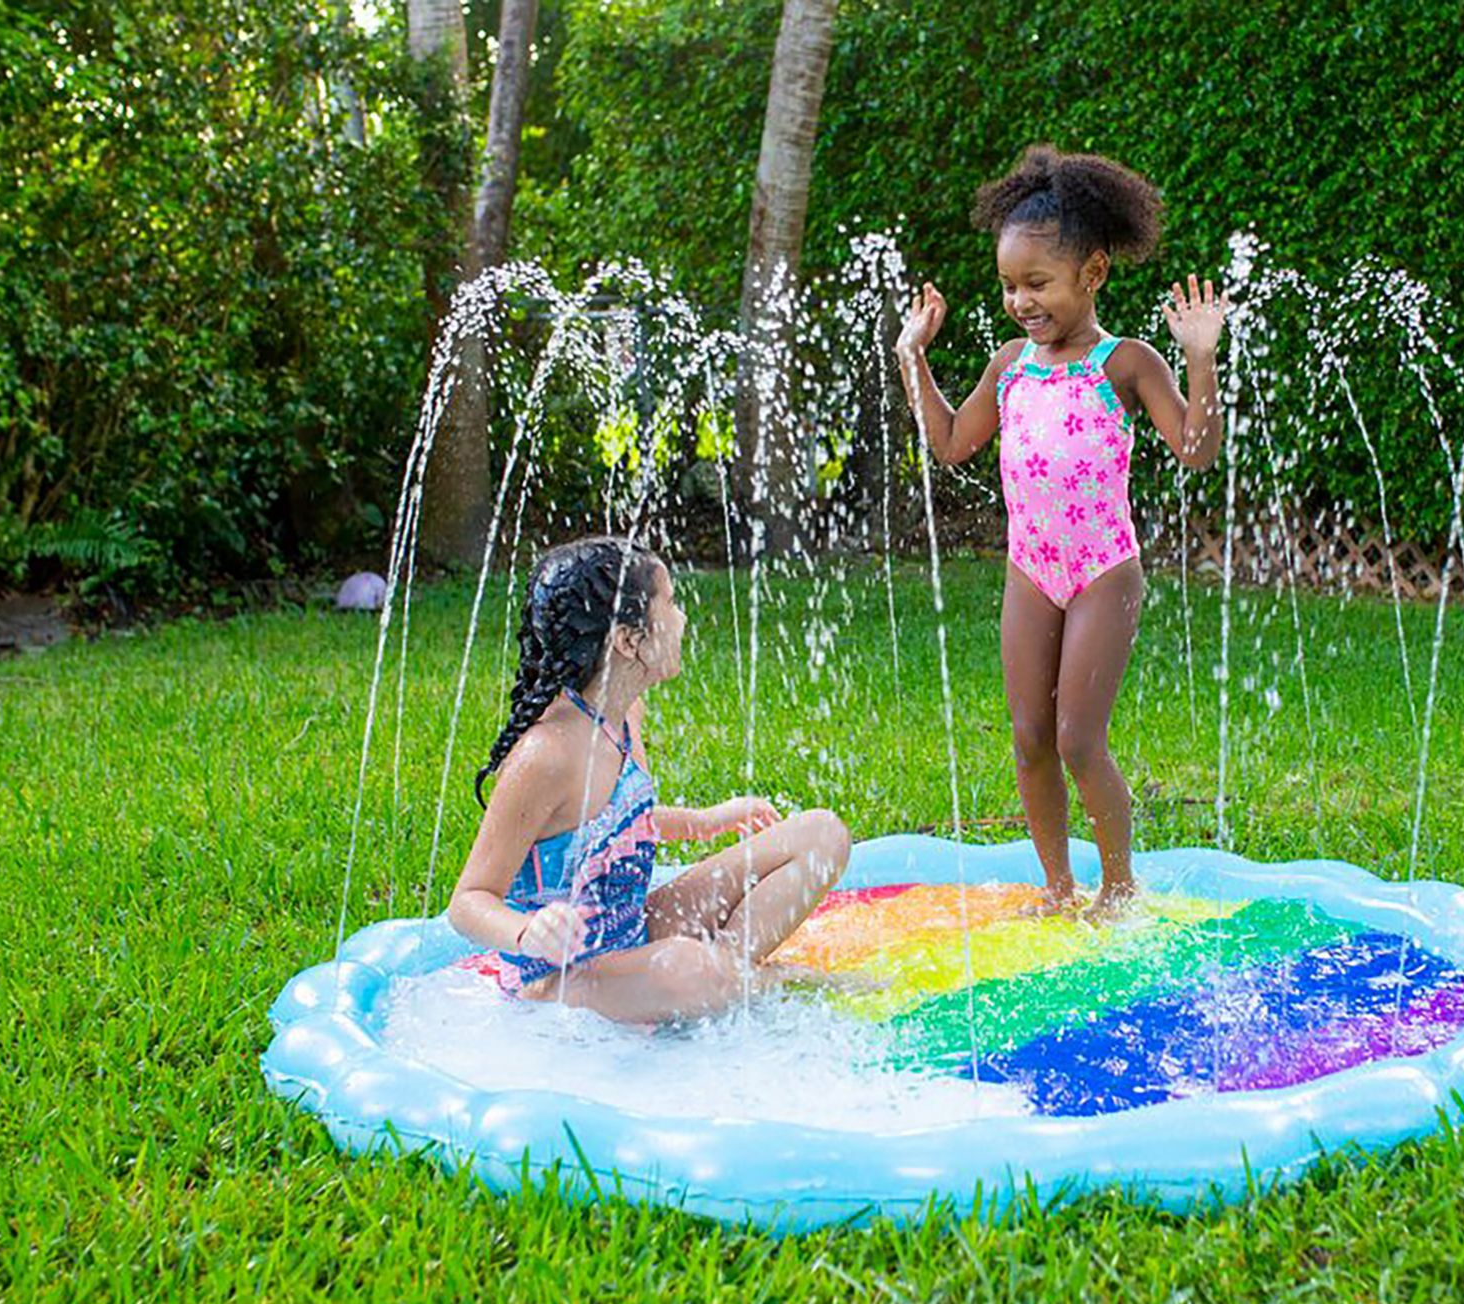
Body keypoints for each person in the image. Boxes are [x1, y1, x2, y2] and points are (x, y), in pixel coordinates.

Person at [895, 145, 1228, 919]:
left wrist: (1202, 359)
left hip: (1103, 570)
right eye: (1010, 284)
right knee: (1030, 735)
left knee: (1080, 739)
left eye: (1037, 283)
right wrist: (914, 358)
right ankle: (1057, 886)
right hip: (1030, 570)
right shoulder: (1011, 365)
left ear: (1094, 274)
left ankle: (1118, 888)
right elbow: (950, 444)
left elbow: (1196, 449)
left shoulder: (1126, 363)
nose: (1021, 300)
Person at [447, 536, 851, 1023]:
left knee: (821, 834)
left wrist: (705, 821)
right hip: (561, 976)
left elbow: (609, 825)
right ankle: (766, 983)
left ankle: (728, 979)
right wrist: (526, 931)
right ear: (628, 639)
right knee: (684, 966)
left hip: (631, 933)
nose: (682, 619)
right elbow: (469, 900)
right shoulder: (545, 755)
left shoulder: (623, 714)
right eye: (672, 603)